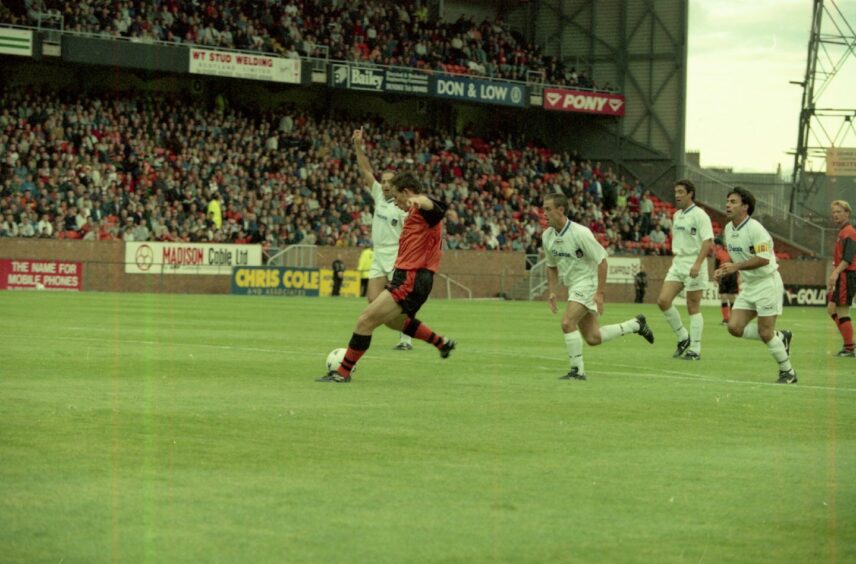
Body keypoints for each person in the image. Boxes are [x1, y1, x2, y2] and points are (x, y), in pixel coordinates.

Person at [317, 172, 455, 383]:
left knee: (365, 321)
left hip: (412, 278)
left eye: (398, 198)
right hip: (409, 277)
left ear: (407, 193)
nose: (397, 204)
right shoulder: (414, 214)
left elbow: (435, 207)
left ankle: (342, 373)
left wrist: (418, 199)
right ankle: (441, 343)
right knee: (394, 323)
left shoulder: (424, 210)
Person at [542, 193, 654, 381]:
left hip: (588, 282)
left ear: (560, 210)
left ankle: (577, 371)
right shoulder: (547, 236)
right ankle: (636, 325)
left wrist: (600, 294)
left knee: (567, 323)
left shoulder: (580, 233)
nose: (543, 213)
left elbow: (602, 261)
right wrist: (552, 291)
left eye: (547, 209)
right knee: (593, 338)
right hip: (574, 286)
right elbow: (551, 266)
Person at [715, 187, 796, 384]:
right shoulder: (728, 229)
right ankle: (780, 337)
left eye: (733, 202)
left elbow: (764, 259)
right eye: (728, 201)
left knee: (764, 332)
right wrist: (726, 269)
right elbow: (740, 259)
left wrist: (736, 267)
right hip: (750, 285)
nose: (728, 205)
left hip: (767, 284)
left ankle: (788, 372)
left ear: (745, 207)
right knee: (734, 327)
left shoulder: (756, 229)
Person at [352, 127, 413, 351]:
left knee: (399, 301)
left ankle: (406, 338)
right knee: (372, 300)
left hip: (397, 254)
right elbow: (365, 170)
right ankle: (406, 327)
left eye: (390, 182)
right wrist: (358, 146)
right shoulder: (378, 193)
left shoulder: (403, 205)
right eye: (384, 181)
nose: (385, 184)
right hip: (379, 253)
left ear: (396, 185)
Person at [656, 179, 714, 360]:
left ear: (690, 194)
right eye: (676, 192)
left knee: (692, 306)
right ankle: (683, 337)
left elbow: (708, 241)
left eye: (681, 192)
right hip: (678, 263)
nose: (677, 195)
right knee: (663, 301)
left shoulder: (700, 215)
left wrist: (697, 263)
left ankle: (695, 349)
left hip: (694, 262)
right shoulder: (677, 215)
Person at [826, 200, 856, 357]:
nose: (835, 215)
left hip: (846, 275)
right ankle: (848, 340)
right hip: (842, 275)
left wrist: (835, 272)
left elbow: (848, 258)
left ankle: (849, 348)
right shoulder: (843, 232)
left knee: (843, 310)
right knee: (831, 309)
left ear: (847, 213)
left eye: (839, 212)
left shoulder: (849, 232)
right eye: (834, 212)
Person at [714, 238, 739, 325]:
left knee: (732, 298)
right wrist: (716, 277)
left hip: (732, 277)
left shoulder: (735, 253)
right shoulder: (719, 253)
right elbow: (716, 267)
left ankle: (733, 319)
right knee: (723, 297)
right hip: (722, 277)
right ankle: (725, 319)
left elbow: (738, 265)